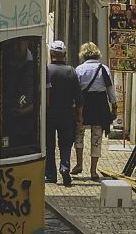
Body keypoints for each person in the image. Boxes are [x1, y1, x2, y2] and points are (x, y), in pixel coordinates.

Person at [72, 42, 117, 179]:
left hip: (83, 106)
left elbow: (75, 90)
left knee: (79, 135)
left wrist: (74, 108)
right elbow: (110, 90)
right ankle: (93, 170)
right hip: (99, 106)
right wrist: (114, 107)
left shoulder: (79, 69)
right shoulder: (104, 69)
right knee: (96, 138)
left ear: (83, 55)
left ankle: (79, 164)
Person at [46, 40, 81, 187]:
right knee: (65, 144)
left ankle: (51, 174)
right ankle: (65, 167)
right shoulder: (71, 71)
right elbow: (79, 96)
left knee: (49, 145)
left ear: (51, 54)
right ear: (64, 55)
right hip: (67, 113)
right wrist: (79, 116)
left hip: (49, 114)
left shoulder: (46, 70)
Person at [1, 37, 36, 153]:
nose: (16, 47)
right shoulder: (4, 64)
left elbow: (42, 97)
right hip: (8, 122)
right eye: (14, 44)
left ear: (27, 43)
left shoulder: (37, 65)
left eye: (20, 42)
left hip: (28, 125)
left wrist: (26, 111)